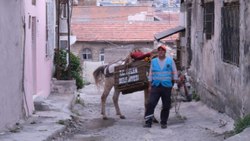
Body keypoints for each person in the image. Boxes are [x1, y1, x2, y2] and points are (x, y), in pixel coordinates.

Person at [144, 44, 178, 129]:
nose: (161, 52)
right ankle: (148, 122)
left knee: (166, 105)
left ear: (165, 52)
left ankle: (163, 122)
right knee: (151, 103)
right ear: (158, 52)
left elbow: (175, 73)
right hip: (156, 86)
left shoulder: (170, 61)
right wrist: (149, 85)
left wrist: (176, 84)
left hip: (166, 86)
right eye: (159, 51)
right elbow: (151, 74)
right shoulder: (153, 61)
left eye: (162, 51)